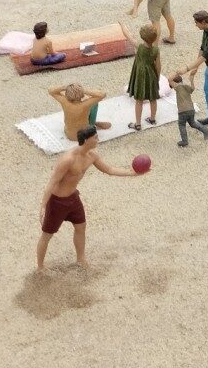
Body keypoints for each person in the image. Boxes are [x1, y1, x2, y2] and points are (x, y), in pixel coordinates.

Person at [36, 123, 143, 271]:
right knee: (47, 235)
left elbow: (109, 170)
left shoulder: (92, 156)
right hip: (57, 202)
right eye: (95, 137)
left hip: (73, 199)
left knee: (81, 227)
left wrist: (133, 173)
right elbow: (52, 182)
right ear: (86, 140)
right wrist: (43, 206)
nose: (98, 139)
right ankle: (40, 267)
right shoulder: (68, 159)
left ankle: (81, 259)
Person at [126, 23, 161, 132]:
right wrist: (157, 77)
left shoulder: (139, 47)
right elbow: (158, 66)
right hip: (151, 75)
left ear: (142, 36)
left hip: (140, 76)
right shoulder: (156, 50)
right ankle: (152, 118)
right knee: (153, 98)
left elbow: (128, 36)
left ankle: (137, 124)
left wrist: (122, 25)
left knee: (139, 100)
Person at [170, 67, 208, 146]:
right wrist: (191, 79)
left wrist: (176, 72)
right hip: (191, 109)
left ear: (175, 83)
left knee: (181, 125)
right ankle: (205, 130)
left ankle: (184, 141)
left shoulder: (177, 87)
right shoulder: (186, 86)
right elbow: (192, 88)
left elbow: (169, 79)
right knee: (192, 123)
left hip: (183, 111)